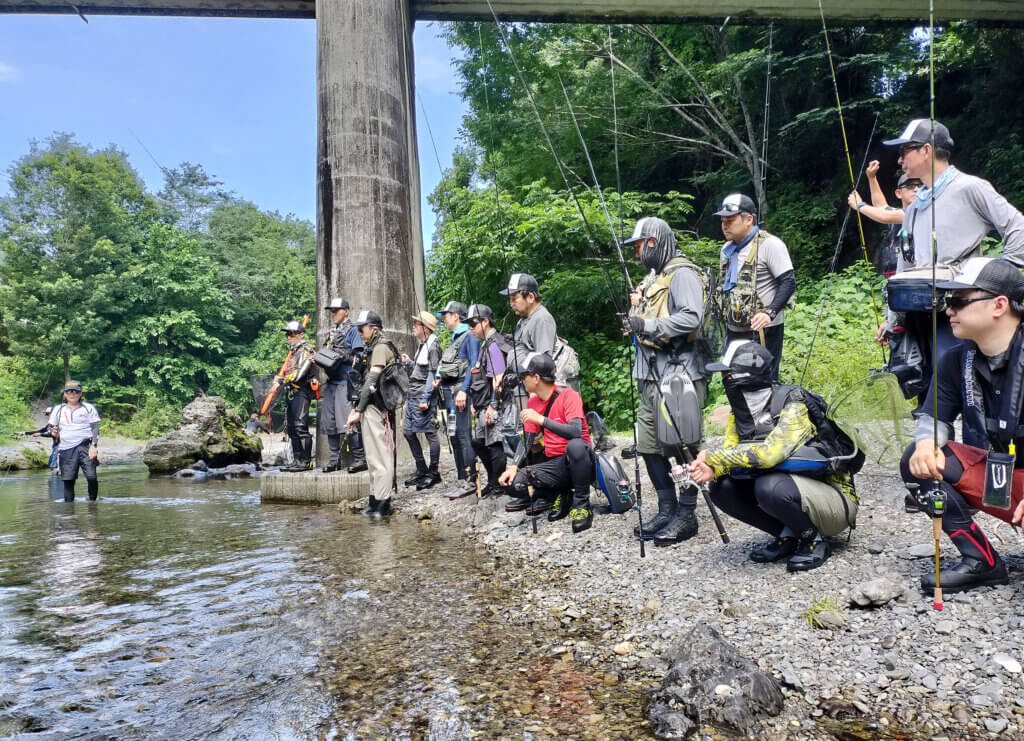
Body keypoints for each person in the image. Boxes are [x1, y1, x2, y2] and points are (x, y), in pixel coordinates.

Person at [877, 119, 1024, 407]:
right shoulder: (916, 204)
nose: (899, 159)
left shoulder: (970, 187)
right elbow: (906, 263)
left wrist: (1002, 277)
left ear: (927, 150)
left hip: (957, 312)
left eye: (905, 150)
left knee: (966, 396)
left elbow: (1017, 225)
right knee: (926, 395)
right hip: (919, 315)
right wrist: (892, 318)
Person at [900, 257, 1024, 593]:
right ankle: (982, 560)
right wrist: (926, 446)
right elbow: (934, 417)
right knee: (918, 459)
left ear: (999, 305)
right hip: (1004, 478)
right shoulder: (956, 358)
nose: (948, 311)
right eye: (945, 302)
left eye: (958, 301)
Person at [690, 341, 862, 572]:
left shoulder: (793, 404)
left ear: (744, 376)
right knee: (722, 488)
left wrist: (713, 456)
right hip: (793, 490)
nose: (724, 379)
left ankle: (815, 541)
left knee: (768, 485)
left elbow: (771, 455)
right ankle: (787, 535)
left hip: (835, 501)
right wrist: (713, 469)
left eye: (727, 373)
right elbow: (731, 450)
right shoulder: (739, 415)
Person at [621, 216, 707, 545]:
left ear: (654, 242)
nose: (637, 252)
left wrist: (646, 327)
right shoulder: (655, 278)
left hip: (679, 373)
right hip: (649, 374)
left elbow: (691, 317)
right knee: (648, 446)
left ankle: (686, 514)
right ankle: (666, 507)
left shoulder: (682, 274)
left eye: (640, 245)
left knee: (681, 444)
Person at [498, 353, 595, 532]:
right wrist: (513, 466)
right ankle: (560, 495)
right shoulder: (533, 402)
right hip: (554, 465)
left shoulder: (569, 396)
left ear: (536, 378)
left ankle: (581, 504)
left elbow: (575, 432)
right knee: (511, 483)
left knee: (575, 445)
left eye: (523, 376)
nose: (521, 380)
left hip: (579, 461)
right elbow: (526, 440)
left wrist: (541, 420)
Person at [715, 193, 796, 381]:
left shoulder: (770, 245)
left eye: (730, 220)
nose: (725, 225)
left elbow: (788, 281)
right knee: (733, 378)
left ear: (749, 219)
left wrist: (769, 313)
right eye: (722, 220)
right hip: (733, 329)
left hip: (762, 331)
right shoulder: (726, 250)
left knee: (762, 381)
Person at [347, 310, 400, 518]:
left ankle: (383, 503)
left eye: (362, 328)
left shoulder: (380, 348)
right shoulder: (374, 347)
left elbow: (371, 382)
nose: (360, 332)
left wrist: (357, 410)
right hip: (371, 408)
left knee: (381, 456)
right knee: (372, 456)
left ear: (374, 329)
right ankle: (374, 499)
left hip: (377, 408)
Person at [436, 300, 481, 499]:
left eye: (446, 314)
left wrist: (464, 390)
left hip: (460, 394)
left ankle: (470, 480)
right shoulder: (456, 338)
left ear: (456, 316)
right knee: (454, 435)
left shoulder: (469, 336)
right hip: (450, 395)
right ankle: (461, 478)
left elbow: (474, 364)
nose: (444, 318)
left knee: (464, 436)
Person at [465, 304, 510, 500]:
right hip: (482, 405)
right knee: (478, 442)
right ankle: (494, 481)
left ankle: (498, 485)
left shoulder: (493, 345)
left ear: (485, 321)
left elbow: (498, 378)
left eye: (473, 324)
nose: (470, 328)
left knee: (495, 444)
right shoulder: (485, 344)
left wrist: (493, 405)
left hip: (494, 405)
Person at [846, 166, 922, 277]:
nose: (916, 189)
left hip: (916, 279)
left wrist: (860, 205)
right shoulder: (898, 213)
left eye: (920, 185)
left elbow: (884, 216)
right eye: (910, 186)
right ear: (898, 193)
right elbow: (882, 207)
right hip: (897, 280)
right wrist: (872, 178)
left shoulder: (920, 212)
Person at [320, 297, 366, 473]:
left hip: (346, 382)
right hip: (331, 381)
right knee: (329, 422)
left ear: (346, 311)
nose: (333, 314)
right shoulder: (331, 332)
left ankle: (359, 458)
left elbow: (360, 357)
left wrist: (341, 356)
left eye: (336, 310)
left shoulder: (353, 330)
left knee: (348, 422)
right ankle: (334, 460)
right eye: (331, 311)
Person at [401, 311, 443, 490]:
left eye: (416, 324)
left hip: (422, 396)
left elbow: (433, 374)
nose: (413, 326)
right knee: (408, 432)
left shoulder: (433, 347)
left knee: (430, 433)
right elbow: (422, 370)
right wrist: (410, 363)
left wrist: (426, 398)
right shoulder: (423, 345)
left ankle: (434, 472)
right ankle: (422, 469)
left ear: (425, 328)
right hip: (413, 394)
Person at [49, 381, 100, 502]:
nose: (72, 394)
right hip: (66, 448)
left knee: (92, 477)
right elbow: (51, 425)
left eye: (75, 391)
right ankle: (69, 511)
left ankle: (93, 503)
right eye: (69, 391)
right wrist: (53, 431)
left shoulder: (88, 408)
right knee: (68, 480)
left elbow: (95, 428)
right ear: (65, 394)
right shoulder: (58, 409)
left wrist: (94, 446)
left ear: (80, 393)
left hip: (85, 445)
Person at [278, 320, 316, 472]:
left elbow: (300, 375)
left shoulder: (307, 351)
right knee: (292, 429)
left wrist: (283, 379)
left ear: (301, 335)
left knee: (301, 427)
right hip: (290, 393)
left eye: (291, 334)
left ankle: (307, 461)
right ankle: (297, 459)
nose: (289, 337)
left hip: (301, 392)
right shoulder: (292, 354)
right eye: (287, 335)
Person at [501, 272, 557, 363]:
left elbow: (543, 363)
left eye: (514, 298)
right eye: (510, 299)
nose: (511, 304)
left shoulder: (542, 319)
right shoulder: (523, 320)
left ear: (530, 297)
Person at [20, 406, 59, 471]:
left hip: (61, 447)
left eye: (49, 414)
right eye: (47, 414)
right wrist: (24, 433)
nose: (48, 416)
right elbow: (39, 431)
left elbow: (54, 434)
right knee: (51, 465)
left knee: (53, 465)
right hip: (55, 446)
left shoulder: (59, 423)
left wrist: (40, 434)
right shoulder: (49, 425)